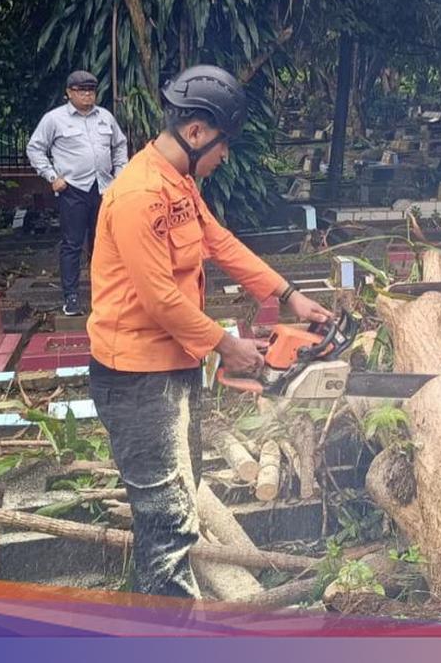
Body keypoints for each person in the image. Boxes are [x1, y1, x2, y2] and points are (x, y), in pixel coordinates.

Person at [86, 64, 333, 598]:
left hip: (172, 368)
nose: (225, 157)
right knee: (168, 519)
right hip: (136, 379)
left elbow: (220, 243)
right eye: (223, 145)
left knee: (180, 499)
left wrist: (289, 296)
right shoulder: (138, 196)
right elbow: (160, 299)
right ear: (196, 132)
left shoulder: (180, 185)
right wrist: (229, 346)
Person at [26, 70, 129, 316]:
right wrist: (52, 177)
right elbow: (35, 148)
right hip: (73, 189)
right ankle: (71, 297)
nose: (87, 95)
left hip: (104, 189)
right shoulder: (54, 119)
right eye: (81, 91)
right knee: (72, 245)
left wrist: (120, 176)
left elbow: (120, 145)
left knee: (103, 244)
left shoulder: (105, 117)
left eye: (91, 91)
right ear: (69, 93)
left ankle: (104, 295)